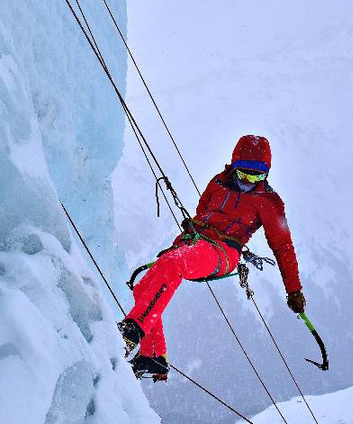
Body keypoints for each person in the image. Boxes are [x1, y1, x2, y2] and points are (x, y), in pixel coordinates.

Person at [119, 135, 306, 381]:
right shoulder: (218, 182)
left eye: (257, 177)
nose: (249, 182)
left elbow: (283, 247)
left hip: (224, 251)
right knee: (144, 285)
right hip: (197, 242)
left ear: (266, 174)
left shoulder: (269, 202)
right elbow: (202, 212)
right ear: (234, 166)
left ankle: (132, 331)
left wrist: (294, 290)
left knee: (174, 264)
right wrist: (188, 241)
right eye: (244, 174)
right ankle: (153, 356)